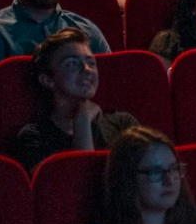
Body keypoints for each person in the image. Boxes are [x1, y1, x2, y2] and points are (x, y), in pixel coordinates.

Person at [13, 28, 139, 171]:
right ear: (48, 80)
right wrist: (82, 120)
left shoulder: (122, 124)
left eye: (91, 63)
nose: (86, 69)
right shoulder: (34, 137)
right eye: (72, 63)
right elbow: (78, 184)